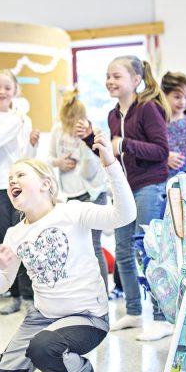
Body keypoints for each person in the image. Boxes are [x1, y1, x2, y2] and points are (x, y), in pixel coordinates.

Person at [0, 132, 136, 372]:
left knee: (44, 347)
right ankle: (11, 361)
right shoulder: (15, 234)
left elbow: (124, 215)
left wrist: (112, 166)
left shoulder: (72, 211)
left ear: (45, 184)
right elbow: (0, 285)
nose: (12, 181)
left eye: (20, 175)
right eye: (9, 180)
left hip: (87, 318)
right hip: (42, 318)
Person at [83, 55, 173, 341]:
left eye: (117, 76)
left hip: (149, 185)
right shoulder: (112, 115)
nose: (110, 81)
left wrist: (123, 143)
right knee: (122, 251)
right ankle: (134, 311)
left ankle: (162, 317)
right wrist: (91, 140)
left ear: (136, 80)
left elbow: (161, 151)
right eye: (108, 76)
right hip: (124, 187)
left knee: (148, 249)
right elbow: (113, 153)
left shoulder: (148, 109)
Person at [0, 69, 39, 314]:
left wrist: (32, 144)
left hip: (20, 184)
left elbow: (25, 157)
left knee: (24, 240)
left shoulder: (23, 118)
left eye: (8, 88)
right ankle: (14, 296)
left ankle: (29, 296)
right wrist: (18, 119)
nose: (2, 92)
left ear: (15, 91)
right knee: (8, 241)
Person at [47, 89, 109, 292]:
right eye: (71, 119)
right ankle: (83, 292)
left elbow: (95, 167)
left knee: (94, 244)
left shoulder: (92, 132)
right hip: (70, 196)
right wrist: (59, 162)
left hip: (93, 192)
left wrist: (87, 141)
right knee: (74, 247)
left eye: (79, 118)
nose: (75, 123)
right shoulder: (57, 131)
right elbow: (48, 159)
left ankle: (102, 293)